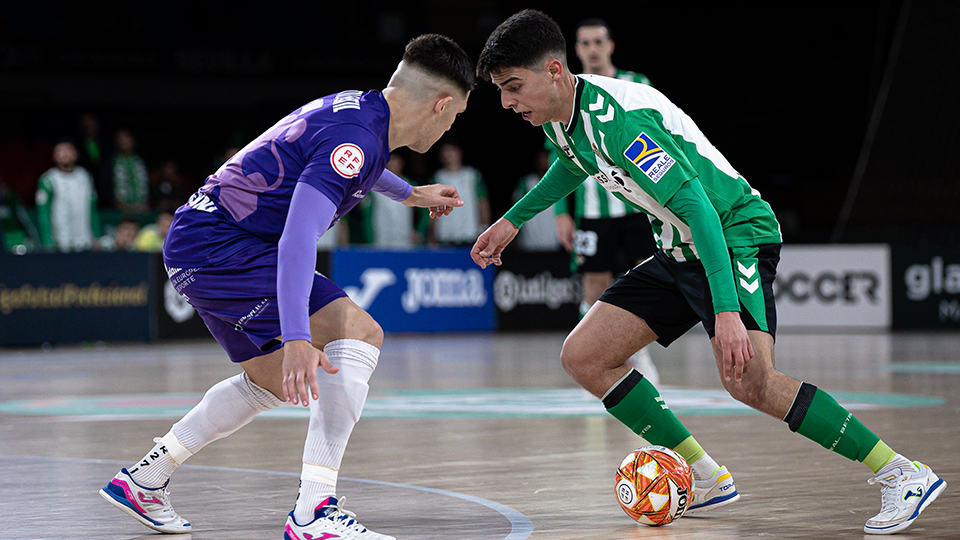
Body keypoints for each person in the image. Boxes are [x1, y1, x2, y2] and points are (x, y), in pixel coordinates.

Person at [471, 10, 944, 535]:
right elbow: (572, 162)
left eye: (513, 87)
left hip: (734, 231)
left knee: (750, 380)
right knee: (584, 356)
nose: (506, 102)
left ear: (555, 71)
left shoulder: (620, 121)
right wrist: (512, 221)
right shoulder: (563, 117)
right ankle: (704, 475)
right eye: (500, 90)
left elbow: (699, 207)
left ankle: (903, 473)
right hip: (679, 246)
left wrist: (725, 311)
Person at [98, 34, 473, 540]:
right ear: (441, 104)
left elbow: (350, 165)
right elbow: (299, 237)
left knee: (270, 382)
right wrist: (298, 336)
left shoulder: (358, 111)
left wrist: (408, 194)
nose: (451, 126)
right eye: (453, 118)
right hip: (224, 247)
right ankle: (314, 512)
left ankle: (145, 478)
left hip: (199, 240)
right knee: (360, 334)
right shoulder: (358, 140)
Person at [553, 17, 660, 383]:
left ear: (611, 45)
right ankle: (594, 359)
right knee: (594, 283)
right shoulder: (565, 90)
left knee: (649, 276)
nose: (592, 49)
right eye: (584, 43)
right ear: (576, 49)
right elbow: (560, 158)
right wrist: (560, 212)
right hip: (592, 209)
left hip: (640, 207)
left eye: (598, 42)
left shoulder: (636, 84)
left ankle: (637, 352)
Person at [35, 140, 101, 251]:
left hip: (85, 241)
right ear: (54, 156)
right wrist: (48, 242)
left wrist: (97, 236)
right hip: (60, 242)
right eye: (60, 151)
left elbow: (93, 209)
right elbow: (43, 214)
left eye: (69, 149)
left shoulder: (85, 177)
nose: (65, 153)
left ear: (76, 154)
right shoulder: (48, 179)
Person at [428, 141, 490, 245]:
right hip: (445, 234)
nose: (448, 155)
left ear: (459, 152)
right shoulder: (438, 177)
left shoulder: (472, 175)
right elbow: (431, 205)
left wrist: (485, 226)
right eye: (445, 152)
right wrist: (431, 233)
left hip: (470, 232)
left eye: (451, 151)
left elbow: (482, 201)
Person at [511, 149, 559, 251]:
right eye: (541, 159)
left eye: (547, 158)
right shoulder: (526, 183)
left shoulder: (559, 183)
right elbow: (515, 210)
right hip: (529, 241)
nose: (544, 161)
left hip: (553, 242)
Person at [111, 128, 150, 214]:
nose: (123, 142)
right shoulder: (111, 162)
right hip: (119, 209)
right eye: (120, 139)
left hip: (141, 207)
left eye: (126, 139)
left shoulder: (140, 161)